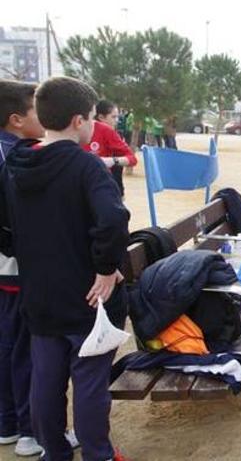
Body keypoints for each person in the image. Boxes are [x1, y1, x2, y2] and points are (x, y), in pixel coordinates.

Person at [0, 76, 130, 461]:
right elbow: (113, 218)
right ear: (78, 120)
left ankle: (53, 451)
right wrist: (107, 268)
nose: (93, 124)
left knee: (45, 380)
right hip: (85, 295)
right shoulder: (86, 166)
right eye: (92, 117)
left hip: (38, 294)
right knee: (89, 382)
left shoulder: (15, 164)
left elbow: (5, 230)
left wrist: (30, 257)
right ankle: (97, 453)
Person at [0, 79, 44, 457]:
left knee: (7, 342)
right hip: (16, 267)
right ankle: (30, 429)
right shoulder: (19, 158)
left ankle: (8, 423)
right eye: (35, 111)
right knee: (25, 348)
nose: (42, 117)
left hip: (7, 266)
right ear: (16, 119)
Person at [90, 100, 138, 199]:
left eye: (117, 117)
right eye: (113, 117)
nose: (117, 120)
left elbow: (132, 159)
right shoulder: (78, 130)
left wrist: (112, 161)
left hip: (104, 188)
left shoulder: (110, 132)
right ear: (101, 117)